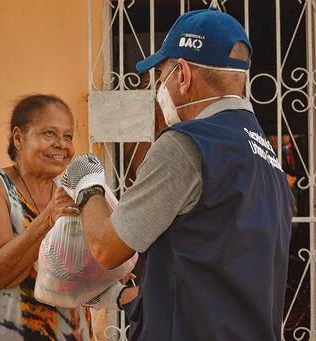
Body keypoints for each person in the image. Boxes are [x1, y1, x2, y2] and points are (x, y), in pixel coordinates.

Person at [65, 8, 294, 341]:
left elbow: (107, 249)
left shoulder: (187, 145)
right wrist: (125, 298)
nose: (160, 86)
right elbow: (214, 271)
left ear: (183, 74)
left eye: (161, 74)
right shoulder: (267, 158)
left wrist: (87, 183)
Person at [0, 94, 93, 340]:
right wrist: (48, 218)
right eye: (49, 133)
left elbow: (78, 273)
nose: (62, 144)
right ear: (19, 137)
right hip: (0, 329)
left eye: (67, 136)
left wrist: (108, 269)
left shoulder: (70, 192)